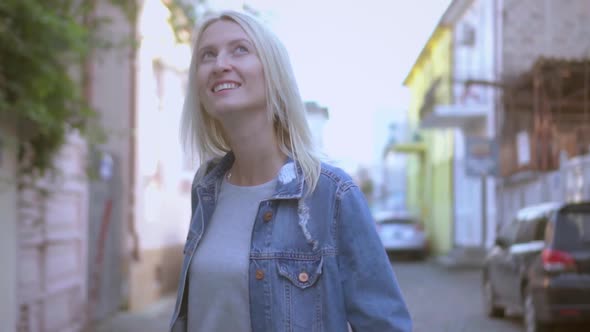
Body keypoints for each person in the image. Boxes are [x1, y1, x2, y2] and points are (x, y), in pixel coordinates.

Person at [170, 10, 412, 332]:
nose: (219, 64)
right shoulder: (206, 188)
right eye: (207, 55)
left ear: (274, 73)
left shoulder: (331, 194)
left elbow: (385, 324)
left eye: (240, 49)